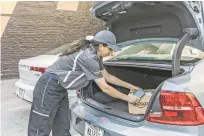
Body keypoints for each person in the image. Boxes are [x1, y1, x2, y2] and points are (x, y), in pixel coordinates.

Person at [28, 30, 140, 136]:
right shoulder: (88, 57)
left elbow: (108, 77)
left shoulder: (96, 56)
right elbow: (105, 88)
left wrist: (130, 86)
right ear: (101, 46)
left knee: (62, 124)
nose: (111, 53)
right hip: (48, 86)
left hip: (60, 88)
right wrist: (128, 98)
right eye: (110, 49)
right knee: (40, 125)